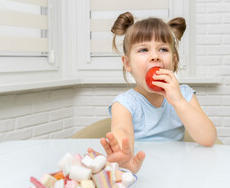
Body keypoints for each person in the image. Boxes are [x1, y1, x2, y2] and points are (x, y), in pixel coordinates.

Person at [88, 12, 217, 174]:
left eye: (163, 49)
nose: (155, 56)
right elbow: (122, 130)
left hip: (177, 172)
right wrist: (123, 153)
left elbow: (208, 138)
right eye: (143, 50)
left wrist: (179, 102)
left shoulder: (184, 95)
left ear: (174, 60)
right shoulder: (124, 103)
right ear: (127, 63)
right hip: (141, 169)